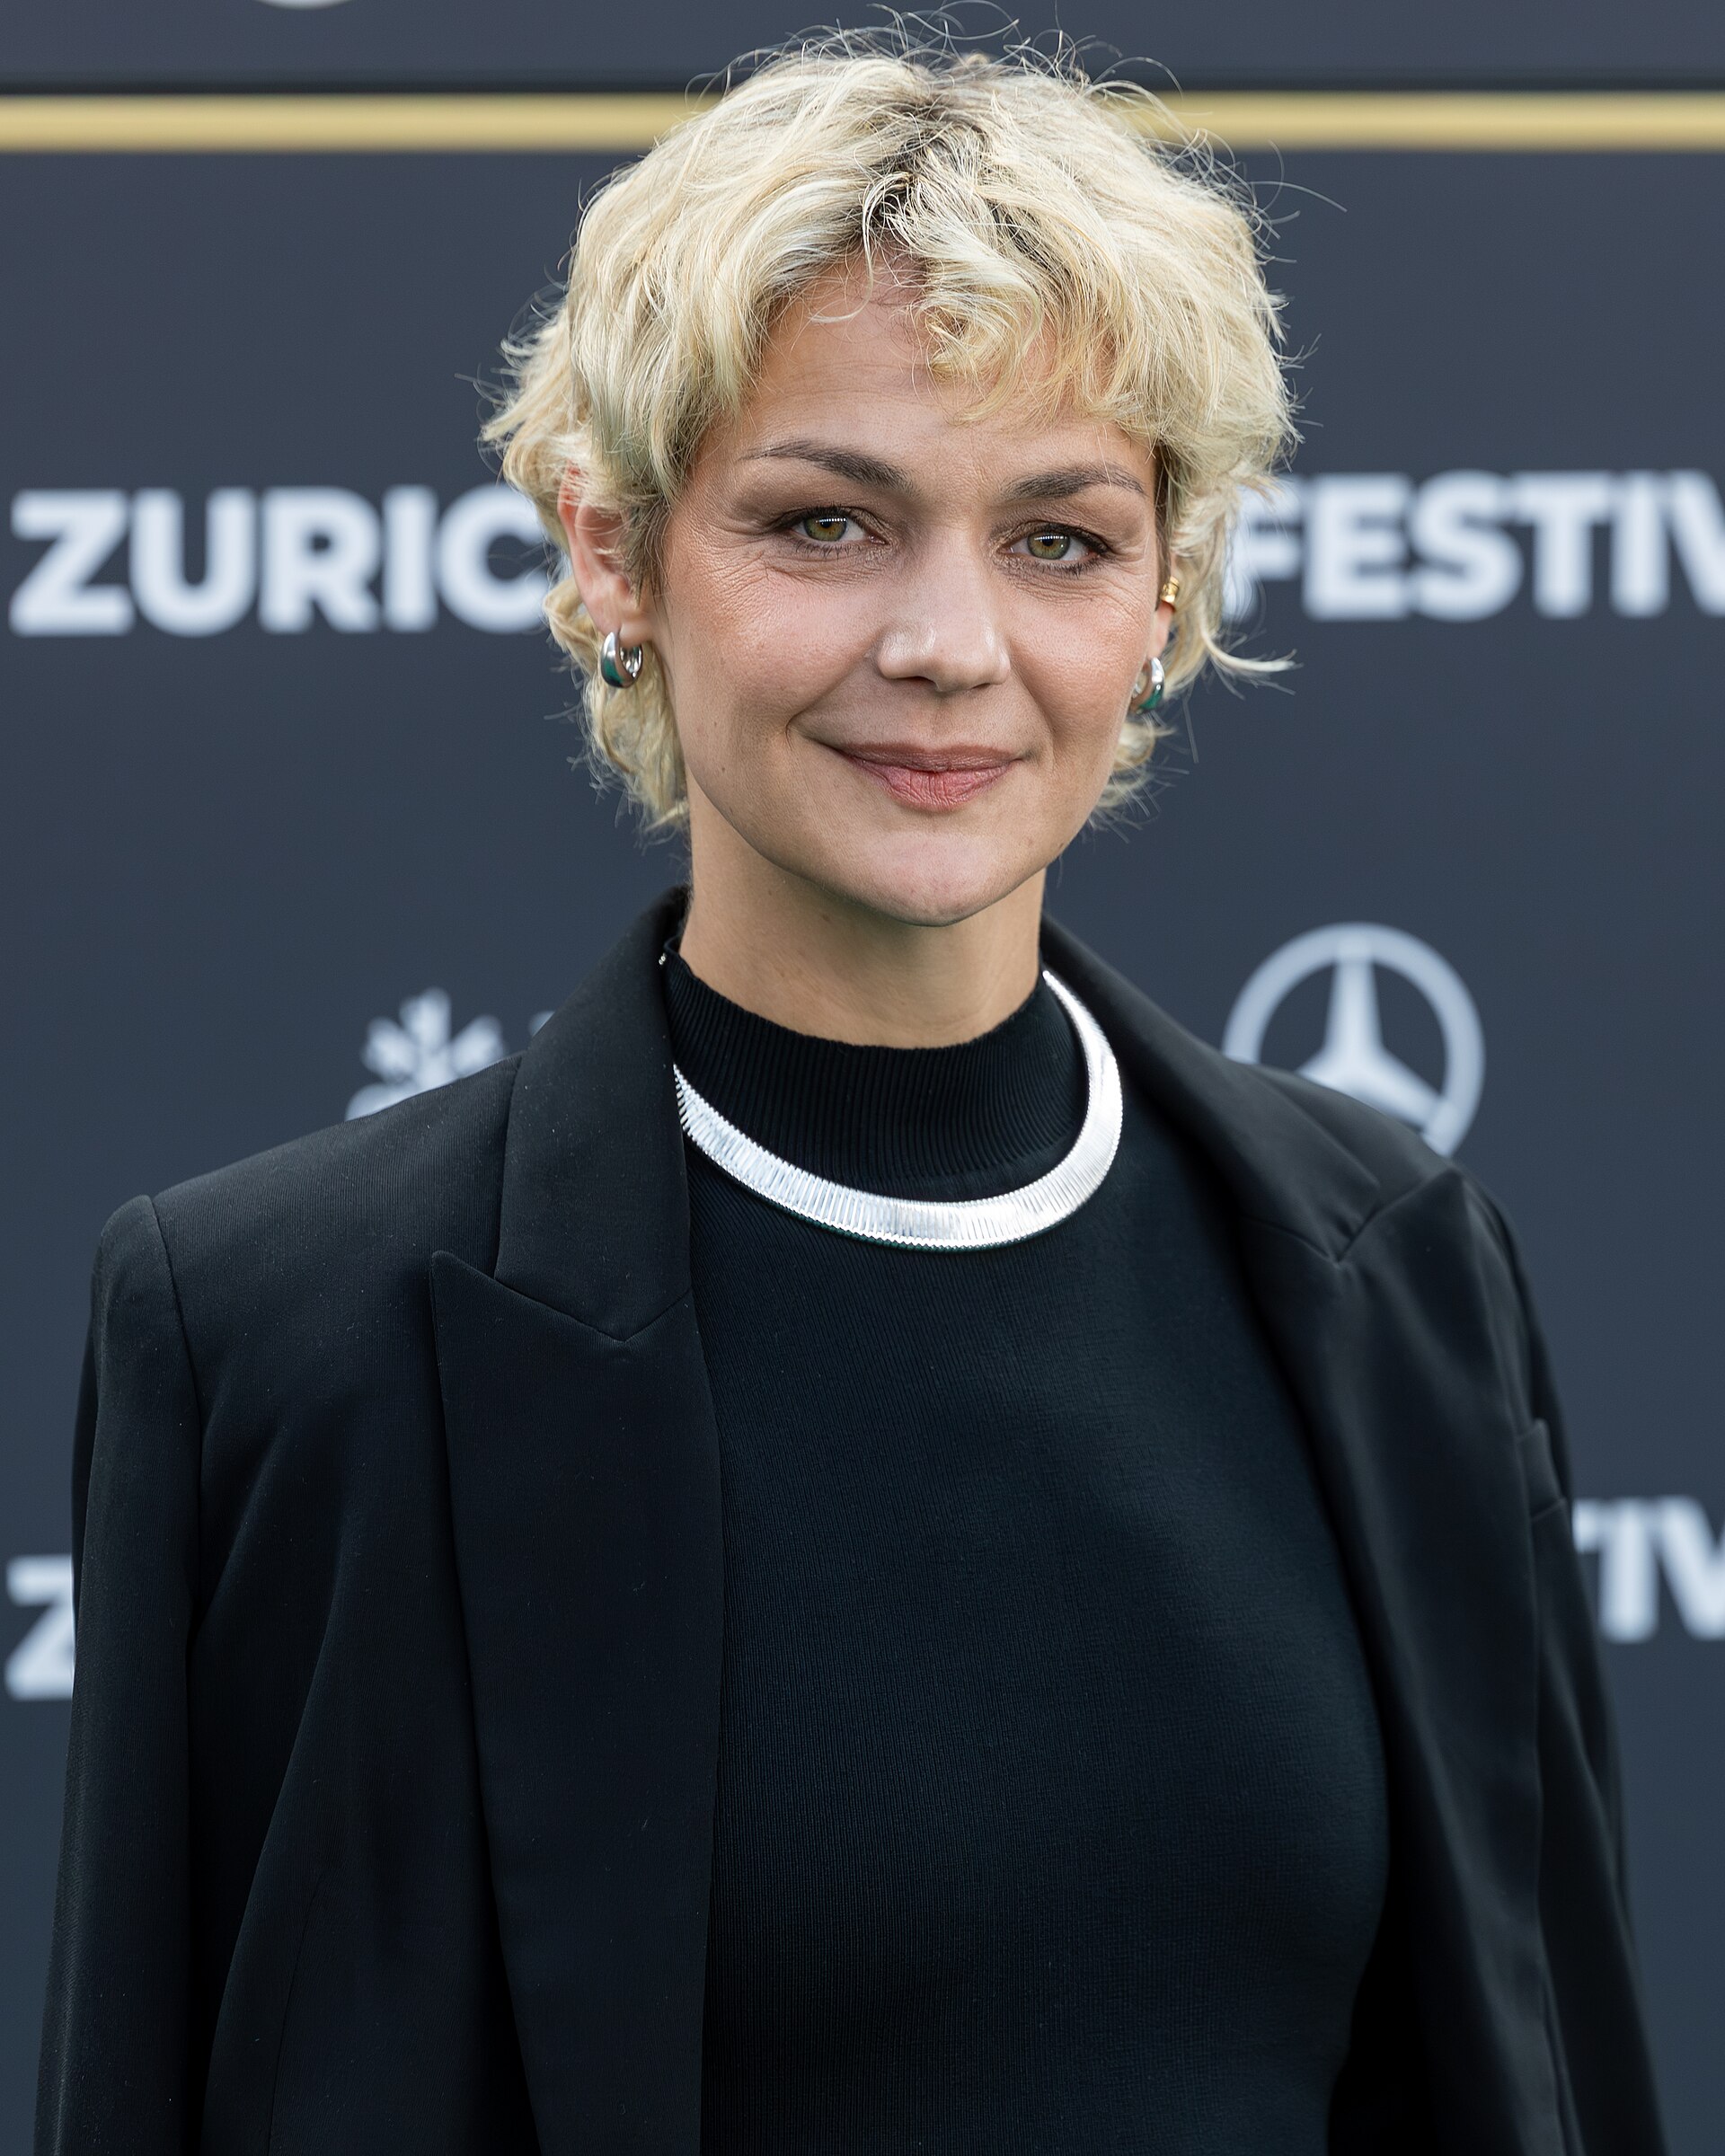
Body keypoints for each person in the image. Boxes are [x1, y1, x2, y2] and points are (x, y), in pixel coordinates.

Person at [37, 35, 1664, 2156]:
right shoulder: (274, 1338)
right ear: (613, 553)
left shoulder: (1402, 1275)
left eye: (1061, 539)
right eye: (828, 523)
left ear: (1169, 592)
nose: (948, 642)